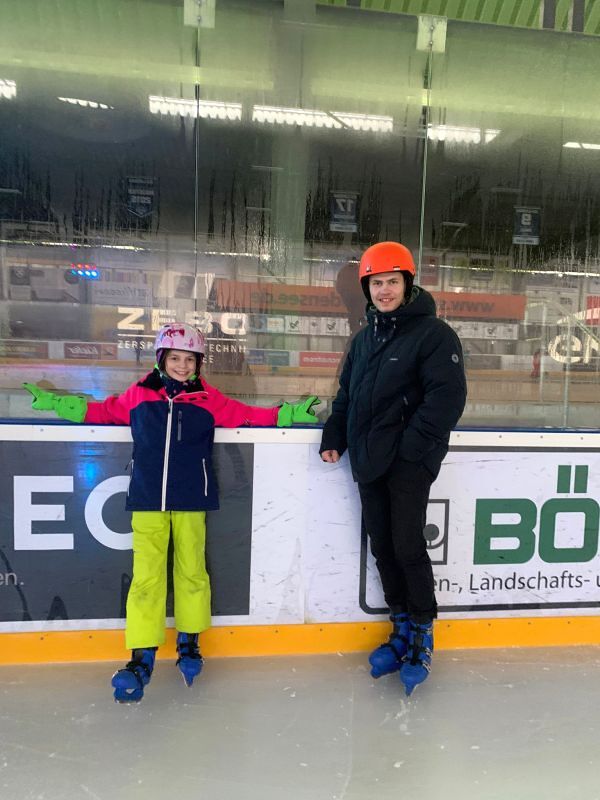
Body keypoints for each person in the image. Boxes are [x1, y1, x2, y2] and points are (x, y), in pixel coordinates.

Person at [24, 322, 320, 703]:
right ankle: (141, 656)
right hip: (147, 499)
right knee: (146, 577)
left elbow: (247, 415)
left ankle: (189, 640)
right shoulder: (139, 395)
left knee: (192, 570)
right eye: (175, 358)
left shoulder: (208, 399)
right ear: (161, 359)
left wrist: (288, 414)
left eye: (190, 359)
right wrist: (57, 404)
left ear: (199, 363)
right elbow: (103, 411)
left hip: (192, 498)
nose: (182, 366)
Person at [320, 242, 466, 696]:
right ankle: (399, 626)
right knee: (382, 547)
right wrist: (334, 436)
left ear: (407, 283)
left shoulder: (434, 335)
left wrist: (410, 451)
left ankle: (422, 633)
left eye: (392, 282)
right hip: (368, 458)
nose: (384, 290)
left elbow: (446, 399)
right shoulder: (364, 340)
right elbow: (347, 396)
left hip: (407, 462)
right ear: (367, 288)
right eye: (377, 283)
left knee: (407, 546)